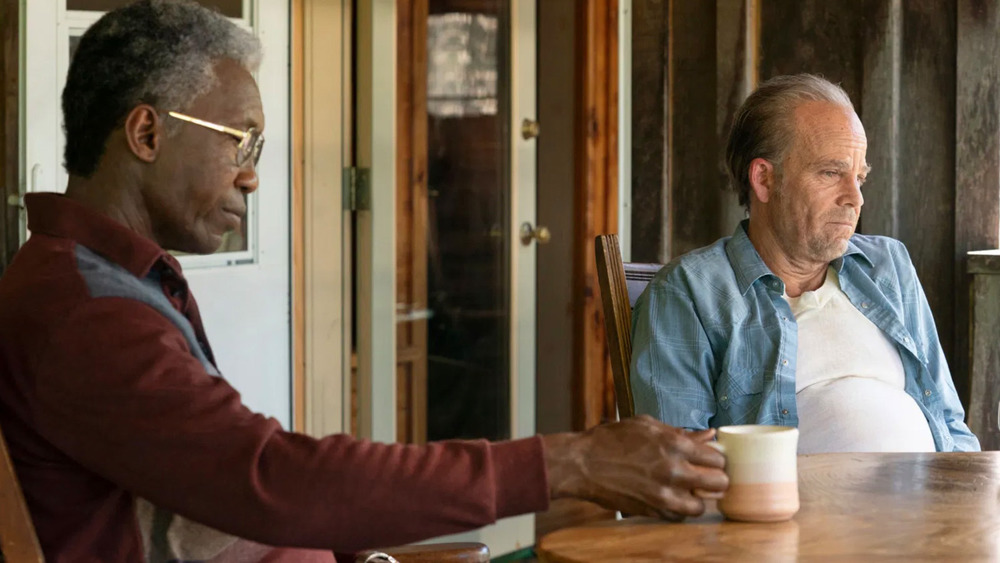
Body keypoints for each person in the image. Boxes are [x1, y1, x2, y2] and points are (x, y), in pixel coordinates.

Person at [0, 1, 728, 561]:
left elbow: (226, 486)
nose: (253, 173)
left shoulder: (108, 282)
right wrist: (572, 460)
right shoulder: (83, 310)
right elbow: (267, 477)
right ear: (148, 134)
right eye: (240, 140)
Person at [630, 73, 980, 455]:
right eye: (831, 173)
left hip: (931, 504)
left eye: (859, 178)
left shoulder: (887, 266)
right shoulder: (690, 293)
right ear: (764, 179)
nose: (855, 199)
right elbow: (677, 464)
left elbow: (948, 421)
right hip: (792, 511)